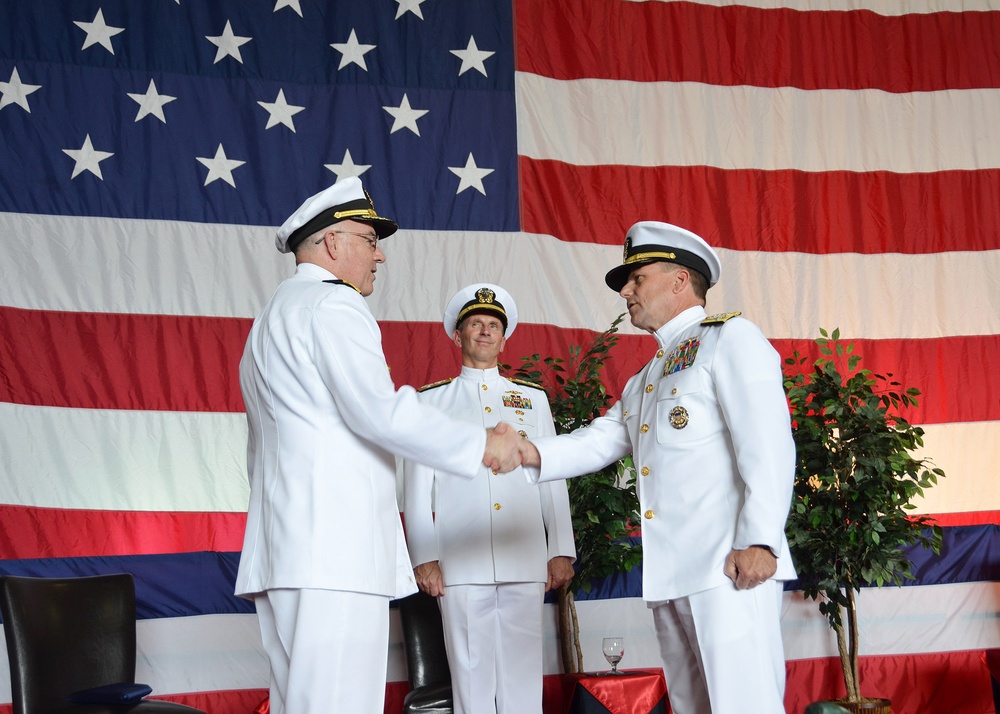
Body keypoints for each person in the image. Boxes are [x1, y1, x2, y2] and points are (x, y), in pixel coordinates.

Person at [234, 178, 524, 714]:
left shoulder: (268, 320)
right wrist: (481, 442)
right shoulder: (333, 307)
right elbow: (379, 413)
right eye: (369, 239)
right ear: (332, 243)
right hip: (334, 553)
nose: (379, 254)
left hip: (286, 552)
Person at [518, 221, 796, 714]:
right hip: (673, 573)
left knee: (743, 704)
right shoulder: (648, 375)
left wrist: (760, 540)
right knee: (694, 706)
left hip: (728, 568)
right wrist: (528, 452)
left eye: (636, 277)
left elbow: (769, 445)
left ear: (678, 280)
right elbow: (603, 438)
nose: (626, 290)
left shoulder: (730, 338)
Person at [403, 283, 577, 714]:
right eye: (475, 324)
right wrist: (424, 557)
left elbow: (550, 476)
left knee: (522, 678)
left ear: (504, 338)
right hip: (460, 559)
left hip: (524, 555)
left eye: (493, 325)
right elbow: (416, 485)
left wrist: (560, 550)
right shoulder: (430, 401)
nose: (485, 331)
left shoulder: (532, 400)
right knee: (471, 681)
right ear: (457, 336)